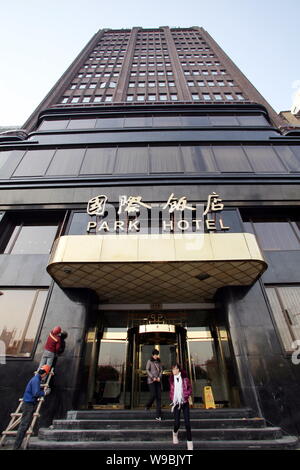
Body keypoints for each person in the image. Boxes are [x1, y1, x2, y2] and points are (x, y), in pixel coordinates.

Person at [13, 365, 51, 450]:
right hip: (28, 405)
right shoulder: (36, 380)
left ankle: (17, 446)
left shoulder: (36, 379)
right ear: (44, 374)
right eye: (46, 374)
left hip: (29, 404)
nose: (46, 376)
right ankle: (16, 447)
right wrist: (45, 393)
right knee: (24, 425)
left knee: (25, 426)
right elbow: (36, 393)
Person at [169, 363, 193, 450]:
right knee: (177, 423)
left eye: (175, 369)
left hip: (185, 402)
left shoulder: (185, 379)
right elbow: (171, 391)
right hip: (176, 403)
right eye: (173, 369)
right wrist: (172, 398)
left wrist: (187, 394)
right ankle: (175, 434)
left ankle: (190, 443)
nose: (174, 371)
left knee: (187, 423)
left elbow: (190, 388)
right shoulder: (171, 380)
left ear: (179, 369)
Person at [145, 349, 163, 421]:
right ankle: (148, 405)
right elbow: (147, 370)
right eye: (155, 355)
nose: (156, 356)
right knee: (153, 395)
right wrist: (153, 377)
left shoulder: (159, 361)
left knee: (159, 397)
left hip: (158, 381)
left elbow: (161, 370)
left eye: (157, 355)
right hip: (151, 381)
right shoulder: (149, 361)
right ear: (152, 355)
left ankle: (158, 415)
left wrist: (159, 377)